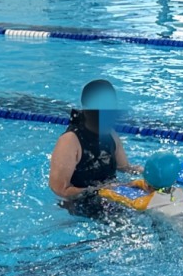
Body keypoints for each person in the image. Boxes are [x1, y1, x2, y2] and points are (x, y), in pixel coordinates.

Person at [48, 79, 140, 214]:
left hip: (110, 197)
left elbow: (124, 167)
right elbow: (60, 189)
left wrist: (148, 173)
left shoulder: (111, 135)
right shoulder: (70, 141)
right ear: (86, 107)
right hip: (79, 205)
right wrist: (99, 192)